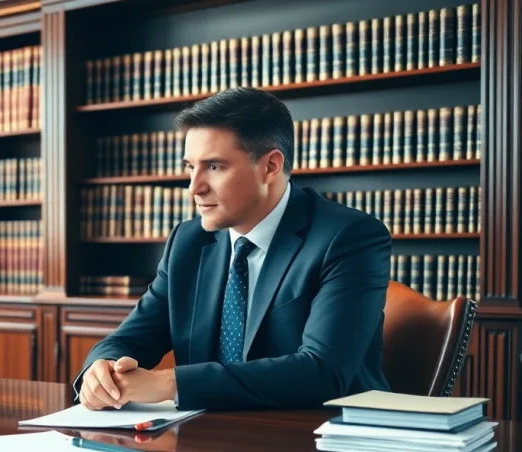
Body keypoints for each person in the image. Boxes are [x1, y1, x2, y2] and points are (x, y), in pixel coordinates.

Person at [75, 87, 392, 411]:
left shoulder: (349, 237)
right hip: (208, 440)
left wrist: (170, 382)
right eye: (190, 167)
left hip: (320, 441)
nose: (194, 188)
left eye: (214, 167)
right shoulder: (188, 242)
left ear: (270, 166)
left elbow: (322, 373)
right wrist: (103, 368)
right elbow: (130, 338)